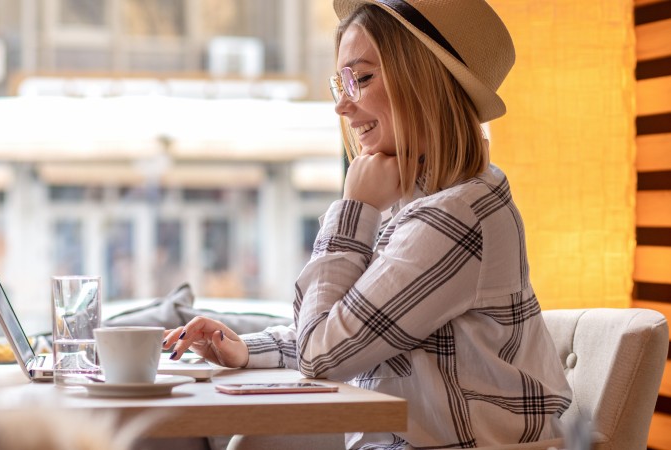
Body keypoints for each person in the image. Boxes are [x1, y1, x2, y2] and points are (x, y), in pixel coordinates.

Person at [164, 0, 573, 448]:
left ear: (425, 81)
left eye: (360, 78)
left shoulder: (457, 217)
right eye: (340, 82)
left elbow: (322, 353)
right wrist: (243, 349)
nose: (342, 104)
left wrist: (354, 208)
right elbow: (348, 325)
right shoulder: (422, 206)